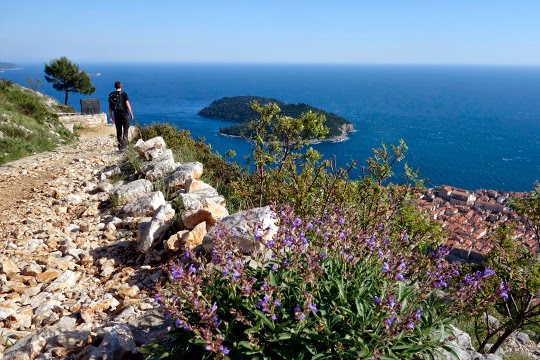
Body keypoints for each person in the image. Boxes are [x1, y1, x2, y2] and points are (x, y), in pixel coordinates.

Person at [108, 81, 134, 150]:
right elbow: (127, 105)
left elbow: (110, 106)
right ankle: (124, 147)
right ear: (121, 86)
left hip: (116, 115)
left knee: (119, 131)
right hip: (124, 114)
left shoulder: (111, 94)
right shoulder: (124, 94)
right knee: (125, 130)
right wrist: (131, 113)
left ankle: (120, 147)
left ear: (115, 87)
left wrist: (111, 116)